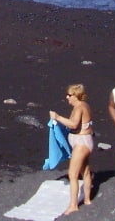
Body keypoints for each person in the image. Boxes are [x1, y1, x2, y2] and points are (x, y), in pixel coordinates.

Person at [49, 83, 94, 214]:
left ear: (75, 95)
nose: (67, 97)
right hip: (83, 141)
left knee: (72, 174)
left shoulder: (80, 107)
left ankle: (74, 205)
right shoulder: (82, 106)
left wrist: (57, 117)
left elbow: (74, 125)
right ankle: (87, 199)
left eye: (69, 95)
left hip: (81, 143)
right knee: (85, 171)